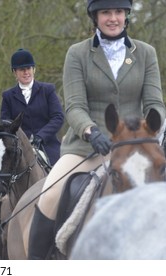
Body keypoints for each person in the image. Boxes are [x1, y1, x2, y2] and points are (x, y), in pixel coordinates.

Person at [27, 0, 166, 259]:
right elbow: (75, 106)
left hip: (135, 146)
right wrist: (91, 131)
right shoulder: (77, 53)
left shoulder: (146, 53)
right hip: (86, 147)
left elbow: (155, 103)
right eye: (106, 12)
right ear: (95, 16)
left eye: (118, 12)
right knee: (49, 195)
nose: (112, 18)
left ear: (126, 15)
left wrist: (153, 132)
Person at [0, 49, 65, 233]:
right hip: (16, 146)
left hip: (46, 144)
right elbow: (5, 124)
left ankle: (65, 213)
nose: (26, 72)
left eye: (28, 68)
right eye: (21, 69)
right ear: (14, 73)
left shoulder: (47, 90)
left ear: (34, 70)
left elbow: (57, 117)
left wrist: (40, 136)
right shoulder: (8, 96)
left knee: (62, 175)